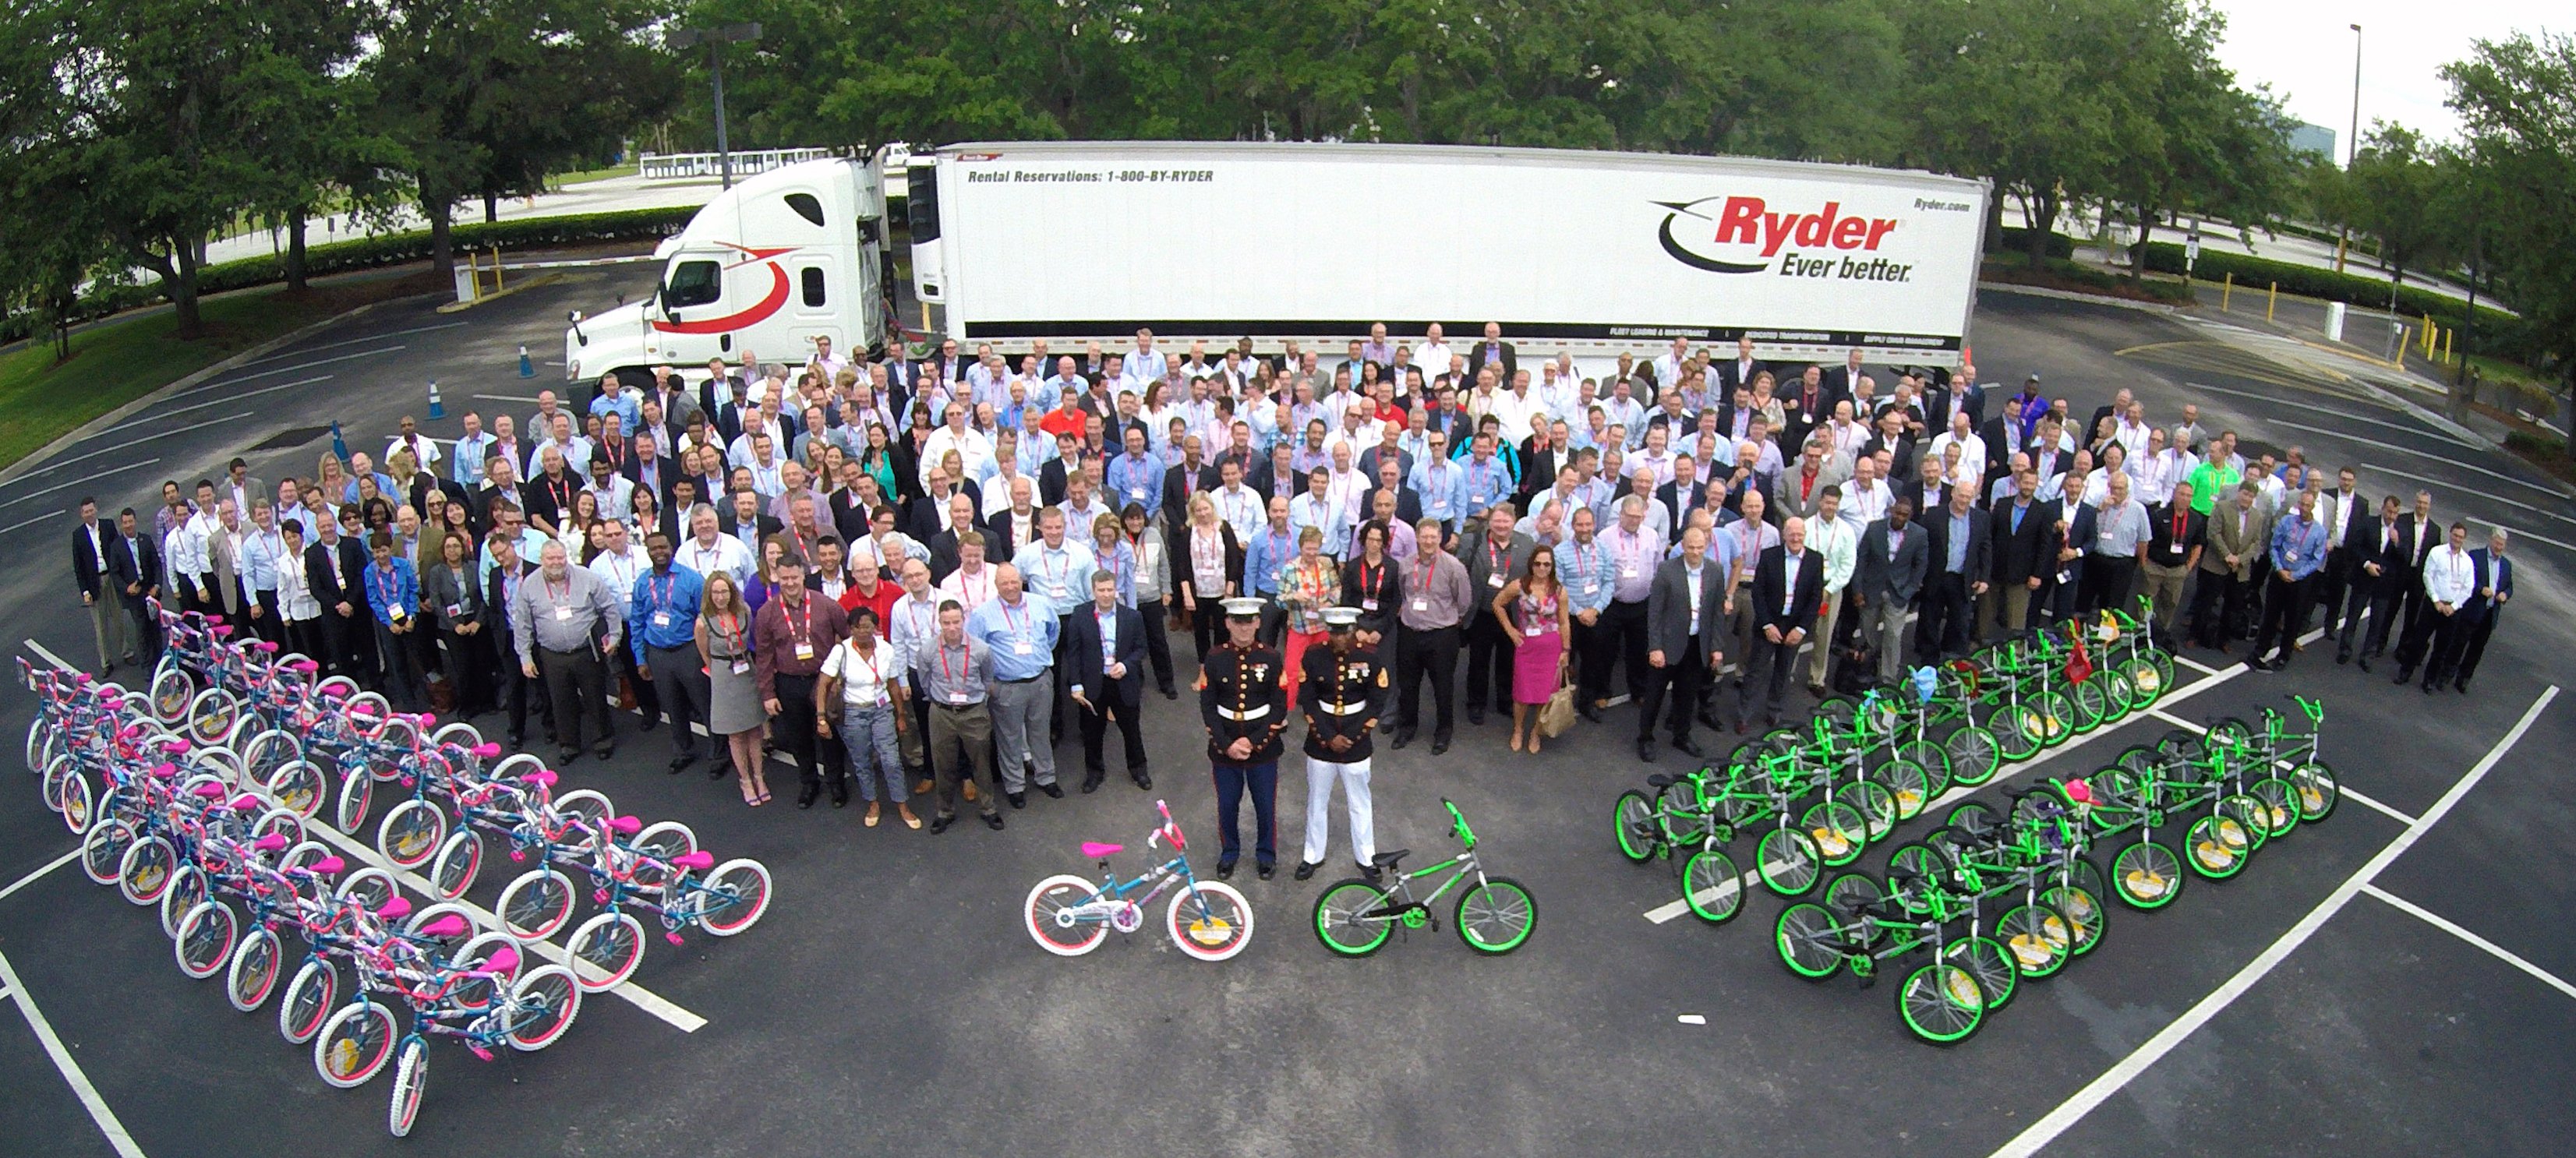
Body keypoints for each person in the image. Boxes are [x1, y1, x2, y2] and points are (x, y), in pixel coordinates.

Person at [1294, 606, 1387, 881]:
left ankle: (1367, 857)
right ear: (1328, 631)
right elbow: (1308, 698)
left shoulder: (1369, 657)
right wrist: (1326, 736)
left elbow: (1378, 700)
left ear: (1352, 630)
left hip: (1355, 740)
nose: (1340, 638)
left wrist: (1353, 736)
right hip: (1321, 739)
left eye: (1345, 631)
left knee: (1360, 802)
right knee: (1317, 801)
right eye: (1335, 632)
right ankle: (1312, 855)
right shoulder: (1313, 656)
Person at [1202, 596, 1288, 879]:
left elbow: (1278, 705)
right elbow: (1208, 706)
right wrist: (1227, 745)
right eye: (1237, 622)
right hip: (1225, 747)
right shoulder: (1214, 658)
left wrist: (1254, 742)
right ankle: (1229, 852)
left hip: (1262, 748)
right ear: (1227, 623)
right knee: (1227, 805)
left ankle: (1266, 855)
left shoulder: (1272, 657)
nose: (1243, 628)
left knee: (1265, 806)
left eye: (1249, 621)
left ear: (1258, 623)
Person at [754, 554, 850, 808]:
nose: (789, 583)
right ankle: (809, 782)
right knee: (799, 738)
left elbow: (848, 637)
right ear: (777, 578)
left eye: (794, 577)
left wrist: (842, 676)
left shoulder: (826, 605)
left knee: (829, 736)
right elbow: (763, 656)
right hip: (789, 682)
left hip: (823, 681)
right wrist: (767, 693)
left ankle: (836, 783)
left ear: (803, 575)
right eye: (784, 578)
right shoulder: (767, 613)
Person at [514, 540, 622, 761]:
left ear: (567, 557)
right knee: (561, 701)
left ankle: (603, 740)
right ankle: (569, 745)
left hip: (586, 651)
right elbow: (523, 624)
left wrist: (614, 636)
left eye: (560, 557)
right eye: (551, 558)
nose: (556, 562)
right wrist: (525, 656)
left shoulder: (586, 577)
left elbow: (609, 607)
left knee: (595, 698)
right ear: (542, 560)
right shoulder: (529, 585)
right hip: (552, 655)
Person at [967, 563, 1061, 806]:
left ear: (1021, 581)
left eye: (1014, 581)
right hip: (1006, 687)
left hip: (1040, 681)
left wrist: (1037, 659)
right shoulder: (982, 614)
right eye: (1004, 583)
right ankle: (1015, 785)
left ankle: (1046, 777)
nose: (1010, 587)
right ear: (996, 586)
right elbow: (975, 651)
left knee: (1040, 732)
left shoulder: (1040, 604)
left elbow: (1053, 633)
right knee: (1009, 738)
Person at [910, 598, 1005, 833]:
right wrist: (939, 700)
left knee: (981, 762)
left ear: (964, 621)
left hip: (973, 711)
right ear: (939, 623)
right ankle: (945, 811)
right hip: (942, 712)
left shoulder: (981, 649)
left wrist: (978, 700)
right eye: (946, 623)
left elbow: (988, 679)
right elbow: (924, 681)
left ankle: (988, 808)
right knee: (943, 764)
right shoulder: (928, 650)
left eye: (956, 622)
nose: (952, 628)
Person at [818, 606, 917, 828]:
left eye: (868, 626)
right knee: (862, 760)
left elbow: (892, 684)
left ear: (875, 627)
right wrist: (821, 717)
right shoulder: (841, 651)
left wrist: (900, 715)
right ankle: (872, 803)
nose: (863, 631)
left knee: (891, 760)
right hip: (853, 712)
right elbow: (823, 683)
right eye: (858, 627)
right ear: (851, 629)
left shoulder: (886, 650)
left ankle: (902, 804)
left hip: (882, 710)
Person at [1639, 523, 1726, 758]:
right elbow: (1654, 613)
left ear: (1706, 547)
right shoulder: (1667, 571)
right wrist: (1655, 647)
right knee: (1654, 695)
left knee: (1687, 695)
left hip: (1697, 644)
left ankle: (1682, 736)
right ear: (1683, 547)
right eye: (1691, 547)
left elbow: (1717, 612)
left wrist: (1716, 647)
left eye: (1700, 547)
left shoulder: (1716, 571)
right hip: (1667, 646)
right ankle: (1645, 737)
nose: (1695, 552)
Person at [630, 532, 710, 774]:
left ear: (671, 548)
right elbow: (637, 621)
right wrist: (640, 658)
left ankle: (719, 753)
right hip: (658, 653)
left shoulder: (692, 580)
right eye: (653, 548)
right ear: (648, 551)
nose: (659, 552)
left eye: (663, 547)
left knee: (705, 704)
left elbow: (704, 617)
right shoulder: (643, 582)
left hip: (688, 650)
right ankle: (683, 750)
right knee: (673, 707)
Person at [1392, 516, 1471, 755]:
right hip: (1410, 632)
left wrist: (1450, 618)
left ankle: (1443, 732)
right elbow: (1402, 593)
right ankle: (1407, 727)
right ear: (1417, 537)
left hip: (1441, 635)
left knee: (1443, 686)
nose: (1428, 541)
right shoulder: (1406, 564)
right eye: (1424, 536)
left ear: (1440, 539)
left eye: (1433, 537)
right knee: (1407, 685)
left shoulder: (1454, 566)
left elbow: (1464, 601)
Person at [1067, 570, 1150, 792]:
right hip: (1094, 683)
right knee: (1093, 732)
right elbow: (1073, 653)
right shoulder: (1080, 615)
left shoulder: (1132, 617)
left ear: (1116, 590)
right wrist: (1076, 683)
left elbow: (1141, 648)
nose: (1106, 595)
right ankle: (1094, 773)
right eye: (1101, 590)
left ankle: (1139, 770)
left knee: (1131, 729)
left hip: (1123, 681)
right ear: (1093, 591)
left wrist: (1125, 665)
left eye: (1110, 590)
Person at [1740, 517, 1825, 727]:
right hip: (1770, 622)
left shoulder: (1815, 560)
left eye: (1800, 534)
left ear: (1805, 536)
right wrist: (1767, 624)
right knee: (1755, 670)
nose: (1796, 538)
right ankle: (1744, 715)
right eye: (1792, 534)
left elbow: (1815, 598)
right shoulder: (1770, 556)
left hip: (1794, 625)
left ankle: (1774, 710)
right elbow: (1758, 592)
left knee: (1784, 670)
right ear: (1784, 535)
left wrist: (1801, 628)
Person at [1458, 503, 1536, 726]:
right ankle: (1476, 703)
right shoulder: (1472, 542)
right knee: (1478, 661)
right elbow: (1460, 573)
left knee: (1508, 660)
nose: (1501, 525)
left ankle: (1505, 701)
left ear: (1514, 522)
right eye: (1497, 521)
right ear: (1489, 522)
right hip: (1482, 612)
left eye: (1506, 521)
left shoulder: (1526, 543)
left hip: (1512, 613)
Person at [698, 571, 769, 804]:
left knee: (754, 729)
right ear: (709, 594)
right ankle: (745, 780)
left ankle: (759, 776)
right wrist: (719, 670)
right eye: (716, 592)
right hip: (723, 674)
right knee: (736, 733)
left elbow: (753, 640)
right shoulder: (703, 622)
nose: (720, 597)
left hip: (746, 670)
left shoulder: (744, 612)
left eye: (724, 591)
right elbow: (704, 653)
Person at [1494, 547, 1570, 753]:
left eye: (1547, 564)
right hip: (1526, 647)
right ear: (1531, 564)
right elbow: (1498, 604)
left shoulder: (1559, 591)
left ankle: (1536, 732)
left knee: (1544, 694)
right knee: (1522, 693)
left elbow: (1563, 622)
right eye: (1538, 563)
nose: (1542, 568)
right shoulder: (1519, 586)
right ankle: (1518, 729)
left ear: (1552, 567)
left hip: (1551, 648)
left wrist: (1566, 650)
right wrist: (1510, 630)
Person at [1850, 497, 1927, 688]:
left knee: (1893, 636)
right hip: (1871, 590)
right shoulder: (1874, 528)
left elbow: (1920, 566)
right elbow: (1861, 560)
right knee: (1868, 636)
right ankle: (1867, 671)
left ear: (1910, 516)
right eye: (1898, 513)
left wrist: (1909, 591)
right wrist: (1857, 589)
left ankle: (1888, 679)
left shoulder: (1919, 534)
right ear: (1892, 511)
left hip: (1898, 593)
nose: (1900, 517)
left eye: (1905, 515)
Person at [2249, 489, 2329, 672]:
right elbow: (2275, 546)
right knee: (2271, 614)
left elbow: (2316, 560)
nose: (2304, 508)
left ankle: (2284, 655)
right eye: (2302, 504)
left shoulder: (2319, 532)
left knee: (2292, 619)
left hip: (2299, 581)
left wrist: (2296, 575)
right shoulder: (2287, 522)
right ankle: (2261, 648)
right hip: (2279, 575)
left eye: (2308, 505)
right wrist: (2279, 568)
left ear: (2313, 507)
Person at [419, 531, 493, 718]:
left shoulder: (474, 567)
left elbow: (485, 596)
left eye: (456, 546)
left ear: (463, 548)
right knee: (463, 666)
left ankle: (486, 702)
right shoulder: (437, 572)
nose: (452, 550)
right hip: (452, 625)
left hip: (476, 621)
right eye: (448, 547)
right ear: (443, 551)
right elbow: (436, 603)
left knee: (482, 663)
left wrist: (478, 621)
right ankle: (467, 706)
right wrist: (455, 625)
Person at [2394, 522, 2473, 692]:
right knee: (2418, 641)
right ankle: (2405, 672)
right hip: (2433, 605)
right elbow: (2428, 575)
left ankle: (2429, 680)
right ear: (2450, 534)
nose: (2457, 539)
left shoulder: (2467, 562)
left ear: (2464, 539)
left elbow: (2468, 588)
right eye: (2455, 535)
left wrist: (2454, 606)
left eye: (2460, 537)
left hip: (2452, 611)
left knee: (2441, 649)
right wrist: (2436, 600)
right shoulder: (2437, 552)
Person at [2193, 480, 2270, 652]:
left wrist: (2240, 559)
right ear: (2238, 493)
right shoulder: (2222, 507)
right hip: (2216, 564)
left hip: (2240, 569)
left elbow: (2257, 542)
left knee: (2233, 607)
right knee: (2206, 602)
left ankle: (2223, 639)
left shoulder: (2258, 516)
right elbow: (2213, 534)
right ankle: (2195, 635)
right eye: (2244, 493)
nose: (2247, 498)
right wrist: (2227, 555)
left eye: (2251, 496)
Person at [1915, 485, 1989, 663]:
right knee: (1930, 620)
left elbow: (1985, 548)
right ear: (1953, 494)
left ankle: (1953, 661)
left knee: (1960, 622)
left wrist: (1984, 578)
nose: (1964, 500)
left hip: (1962, 579)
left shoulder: (1981, 518)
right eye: (1961, 495)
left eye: (1968, 497)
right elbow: (1921, 545)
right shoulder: (1933, 515)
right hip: (1936, 576)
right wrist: (1918, 575)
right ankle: (1929, 662)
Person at [2337, 495, 2410, 671]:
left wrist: (2397, 542)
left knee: (2377, 622)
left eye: (2395, 513)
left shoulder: (2402, 531)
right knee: (2353, 615)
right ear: (2383, 508)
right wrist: (2367, 564)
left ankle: (2367, 655)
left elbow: (2405, 557)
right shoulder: (2368, 523)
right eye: (2390, 511)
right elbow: (2355, 547)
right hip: (2364, 578)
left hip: (2385, 584)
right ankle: (2345, 650)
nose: (2392, 516)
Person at [1121, 504, 1178, 698]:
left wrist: (1167, 590)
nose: (1135, 522)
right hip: (1129, 600)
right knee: (1132, 643)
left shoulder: (1154, 535)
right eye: (1131, 519)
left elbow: (1163, 564)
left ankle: (1167, 681)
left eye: (1139, 518)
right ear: (1125, 521)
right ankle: (1136, 679)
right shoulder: (1120, 539)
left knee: (1158, 642)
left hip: (1153, 598)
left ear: (1144, 519)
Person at [2138, 480, 2203, 648]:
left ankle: (2160, 634)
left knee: (2170, 604)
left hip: (2177, 571)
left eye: (2189, 496)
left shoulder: (2195, 519)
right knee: (2146, 602)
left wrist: (2188, 567)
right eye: (2182, 494)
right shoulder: (2159, 515)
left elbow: (2198, 545)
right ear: (2175, 495)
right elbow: (2145, 539)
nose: (2185, 498)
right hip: (2155, 566)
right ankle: (2141, 633)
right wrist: (2144, 563)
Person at [1178, 494, 1242, 662]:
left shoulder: (1223, 528)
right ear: (1193, 512)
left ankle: (1221, 666)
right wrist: (1187, 595)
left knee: (1223, 631)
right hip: (1198, 591)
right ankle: (1204, 669)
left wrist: (1230, 589)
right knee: (1201, 632)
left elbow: (1234, 559)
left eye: (1206, 508)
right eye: (1198, 510)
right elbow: (1182, 564)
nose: (1203, 513)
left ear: (1212, 508)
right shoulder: (1188, 531)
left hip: (1221, 591)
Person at [70, 499, 131, 672]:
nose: (89, 514)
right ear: (82, 514)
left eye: (91, 510)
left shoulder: (108, 525)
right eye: (85, 511)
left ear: (96, 510)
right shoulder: (78, 535)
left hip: (111, 577)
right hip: (94, 582)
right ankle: (106, 662)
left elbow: (118, 549)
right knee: (100, 625)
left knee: (119, 618)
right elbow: (79, 567)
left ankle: (126, 652)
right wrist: (85, 591)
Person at [2451, 527, 2511, 692]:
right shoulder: (2476, 556)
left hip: (2489, 614)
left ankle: (2464, 677)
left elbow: (2509, 587)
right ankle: (2447, 672)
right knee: (2459, 643)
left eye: (2502, 545)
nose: (2499, 548)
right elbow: (2467, 579)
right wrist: (2480, 589)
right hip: (2473, 610)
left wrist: (2505, 595)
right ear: (2491, 540)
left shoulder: (2506, 565)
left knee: (2477, 648)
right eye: (2497, 543)